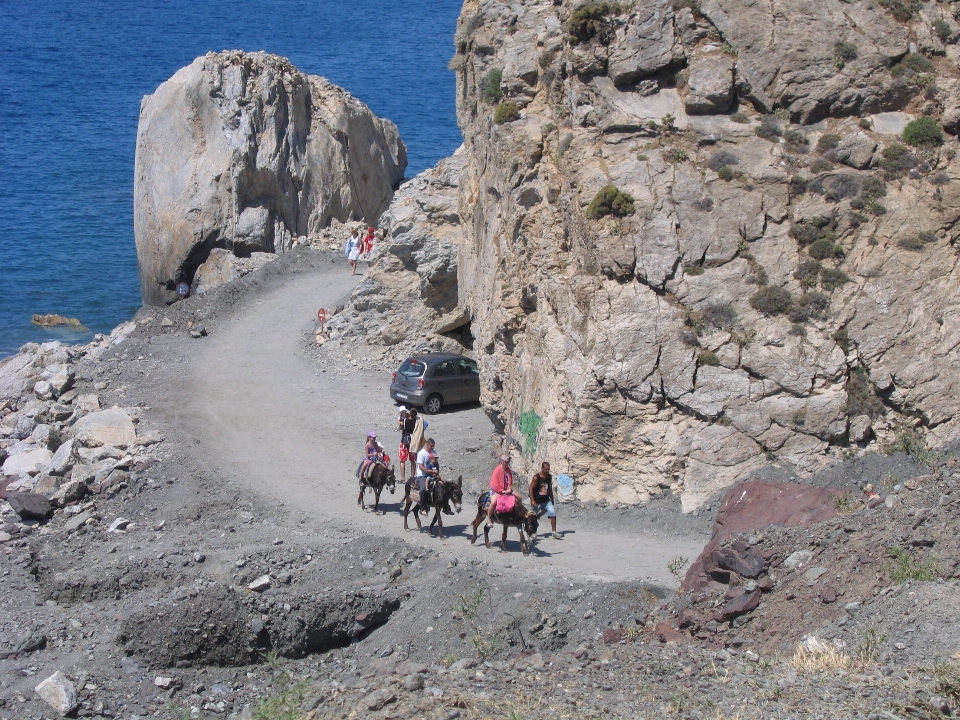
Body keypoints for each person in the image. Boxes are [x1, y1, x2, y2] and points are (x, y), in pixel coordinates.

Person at [486, 454, 522, 529]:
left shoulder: (508, 470)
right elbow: (494, 483)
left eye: (508, 462)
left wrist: (509, 489)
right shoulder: (497, 470)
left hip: (506, 489)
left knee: (519, 497)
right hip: (497, 490)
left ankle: (519, 514)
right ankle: (489, 519)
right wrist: (502, 491)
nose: (508, 463)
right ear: (502, 462)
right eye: (506, 462)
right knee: (493, 502)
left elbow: (510, 481)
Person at [529, 461, 560, 539]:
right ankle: (533, 533)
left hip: (546, 500)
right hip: (537, 501)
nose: (547, 471)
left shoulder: (549, 477)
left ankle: (554, 532)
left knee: (552, 513)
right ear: (542, 468)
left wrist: (552, 499)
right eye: (546, 469)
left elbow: (549, 489)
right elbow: (531, 488)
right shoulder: (536, 477)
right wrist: (532, 500)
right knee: (532, 517)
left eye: (548, 469)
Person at [416, 438, 439, 514]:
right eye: (431, 446)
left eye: (433, 446)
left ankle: (445, 505)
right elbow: (421, 466)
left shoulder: (434, 452)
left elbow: (436, 463)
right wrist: (429, 472)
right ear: (427, 444)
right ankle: (422, 507)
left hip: (432, 474)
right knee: (423, 489)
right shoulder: (421, 453)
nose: (432, 448)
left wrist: (436, 471)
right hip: (422, 474)